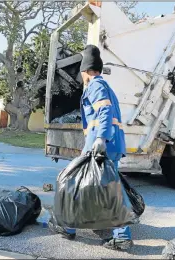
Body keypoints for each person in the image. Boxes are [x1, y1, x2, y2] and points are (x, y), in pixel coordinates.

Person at [59, 45, 133, 250]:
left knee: (76, 182)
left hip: (101, 146)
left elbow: (105, 111)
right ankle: (73, 227)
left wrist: (100, 139)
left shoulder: (95, 85)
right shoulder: (105, 85)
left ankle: (70, 227)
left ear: (85, 71)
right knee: (106, 188)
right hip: (109, 145)